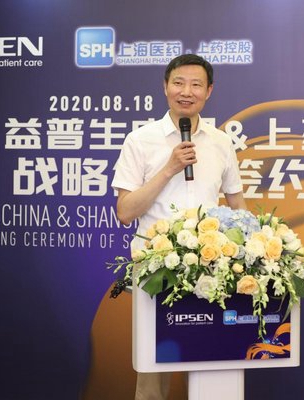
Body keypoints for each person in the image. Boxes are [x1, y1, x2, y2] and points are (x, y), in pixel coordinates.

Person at [111, 54, 247, 400]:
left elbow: (237, 205)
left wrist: (253, 250)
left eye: (196, 85)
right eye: (179, 83)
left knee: (210, 368)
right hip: (156, 271)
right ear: (165, 87)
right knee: (153, 376)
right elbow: (125, 212)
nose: (187, 92)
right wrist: (169, 168)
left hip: (212, 268)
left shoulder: (220, 142)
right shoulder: (141, 140)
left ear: (209, 91)